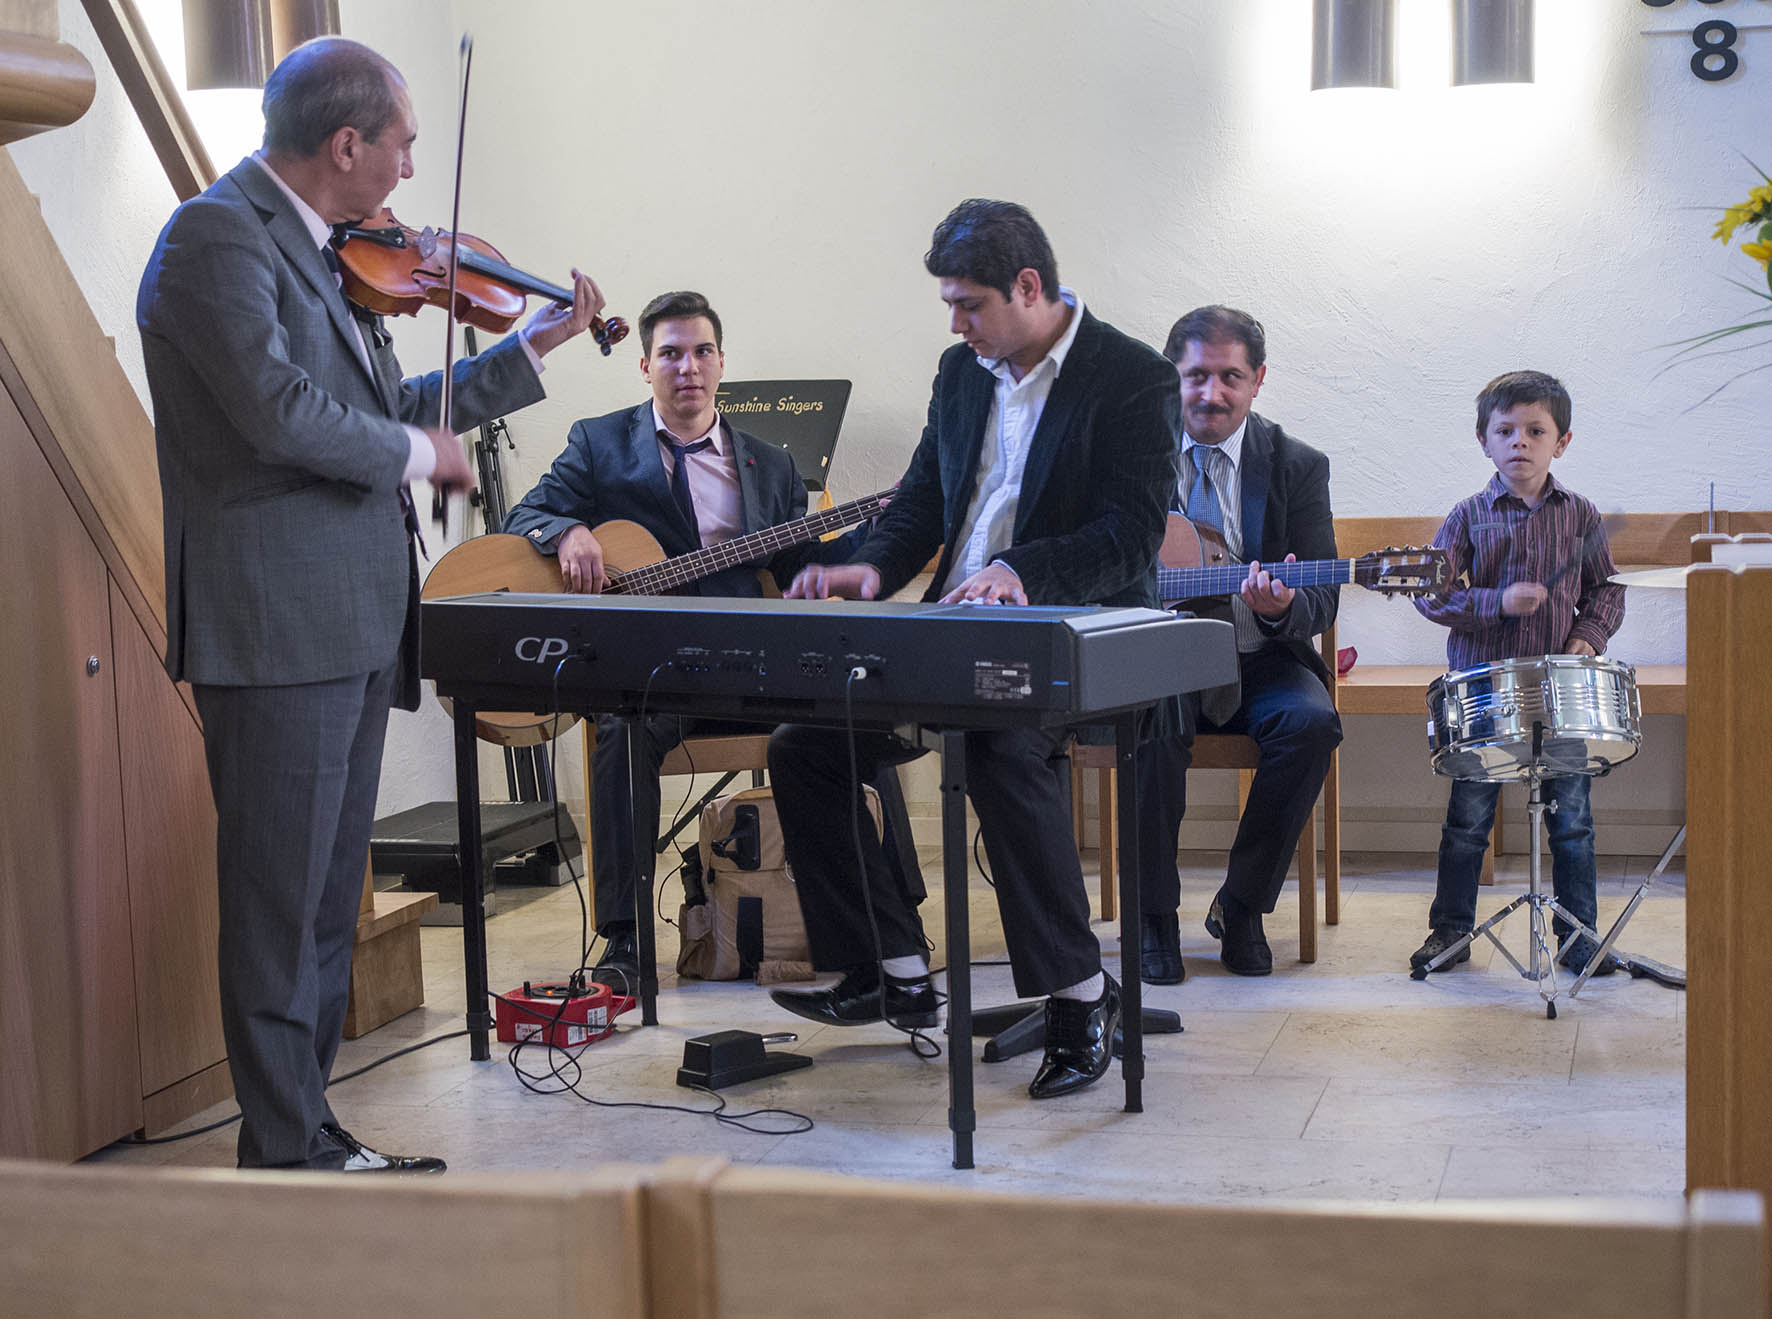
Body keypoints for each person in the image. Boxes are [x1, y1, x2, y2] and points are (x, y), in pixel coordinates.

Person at [137, 37, 605, 1172]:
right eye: (399, 142)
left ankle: (308, 1125)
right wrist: (413, 452)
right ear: (345, 144)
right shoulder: (216, 237)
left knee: (320, 906)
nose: (409, 169)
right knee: (275, 903)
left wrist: (525, 349)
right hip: (275, 624)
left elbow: (387, 397)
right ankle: (284, 1145)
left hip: (344, 618)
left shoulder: (323, 249)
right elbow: (278, 411)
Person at [766, 199, 1181, 1100]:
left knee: (998, 748)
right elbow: (922, 501)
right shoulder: (962, 372)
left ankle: (1079, 999)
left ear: (1028, 288)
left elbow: (1130, 536)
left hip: (1078, 632)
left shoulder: (1133, 377)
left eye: (969, 304)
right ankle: (892, 969)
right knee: (806, 745)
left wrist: (1018, 572)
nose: (954, 325)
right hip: (959, 624)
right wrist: (869, 572)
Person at [503, 290, 872, 985]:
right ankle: (624, 942)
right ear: (645, 366)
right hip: (653, 672)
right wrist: (567, 531)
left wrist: (876, 538)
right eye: (671, 353)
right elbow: (528, 512)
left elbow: (800, 564)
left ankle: (884, 924)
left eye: (702, 351)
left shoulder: (770, 462)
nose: (688, 367)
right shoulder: (599, 442)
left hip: (747, 666)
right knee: (618, 732)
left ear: (722, 362)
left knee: (858, 710)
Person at [1134, 307, 1343, 981]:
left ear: (1257, 380)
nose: (1212, 393)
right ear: (1173, 379)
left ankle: (1243, 905)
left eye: (1230, 376)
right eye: (1196, 375)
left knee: (1312, 724)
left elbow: (1324, 592)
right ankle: (1153, 916)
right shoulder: (1130, 458)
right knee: (1150, 722)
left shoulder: (1298, 465)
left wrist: (1283, 609)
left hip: (1260, 657)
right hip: (1158, 658)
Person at [1409, 370, 1625, 975]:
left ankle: (1580, 940)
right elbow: (1430, 594)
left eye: (1536, 431)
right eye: (1505, 430)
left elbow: (1607, 590)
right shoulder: (1468, 515)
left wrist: (1587, 637)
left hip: (1561, 696)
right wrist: (1494, 603)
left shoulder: (1580, 515)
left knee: (1573, 823)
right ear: (1484, 441)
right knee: (1467, 824)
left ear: (1562, 442)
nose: (1520, 442)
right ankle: (1449, 934)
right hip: (1485, 695)